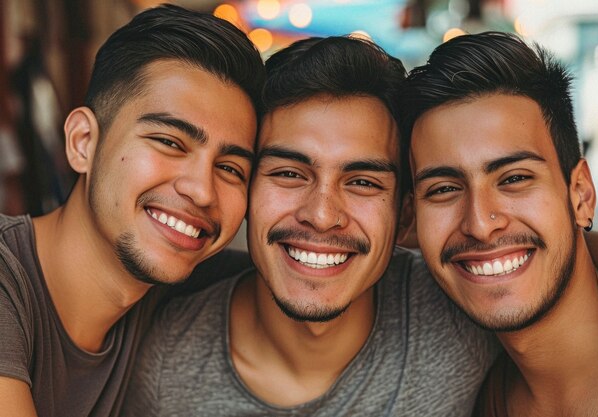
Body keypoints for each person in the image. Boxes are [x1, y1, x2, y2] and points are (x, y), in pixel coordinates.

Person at [122, 35, 501, 416]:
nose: (321, 215)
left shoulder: (464, 316)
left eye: (363, 182)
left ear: (404, 216)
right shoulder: (166, 364)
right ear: (246, 193)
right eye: (289, 173)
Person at [0, 5, 264, 417]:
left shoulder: (191, 291)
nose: (201, 190)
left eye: (230, 168)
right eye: (170, 142)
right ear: (84, 142)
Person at [403, 31, 598, 416]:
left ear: (581, 195)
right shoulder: (458, 387)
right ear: (411, 221)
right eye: (443, 189)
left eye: (514, 179)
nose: (480, 224)